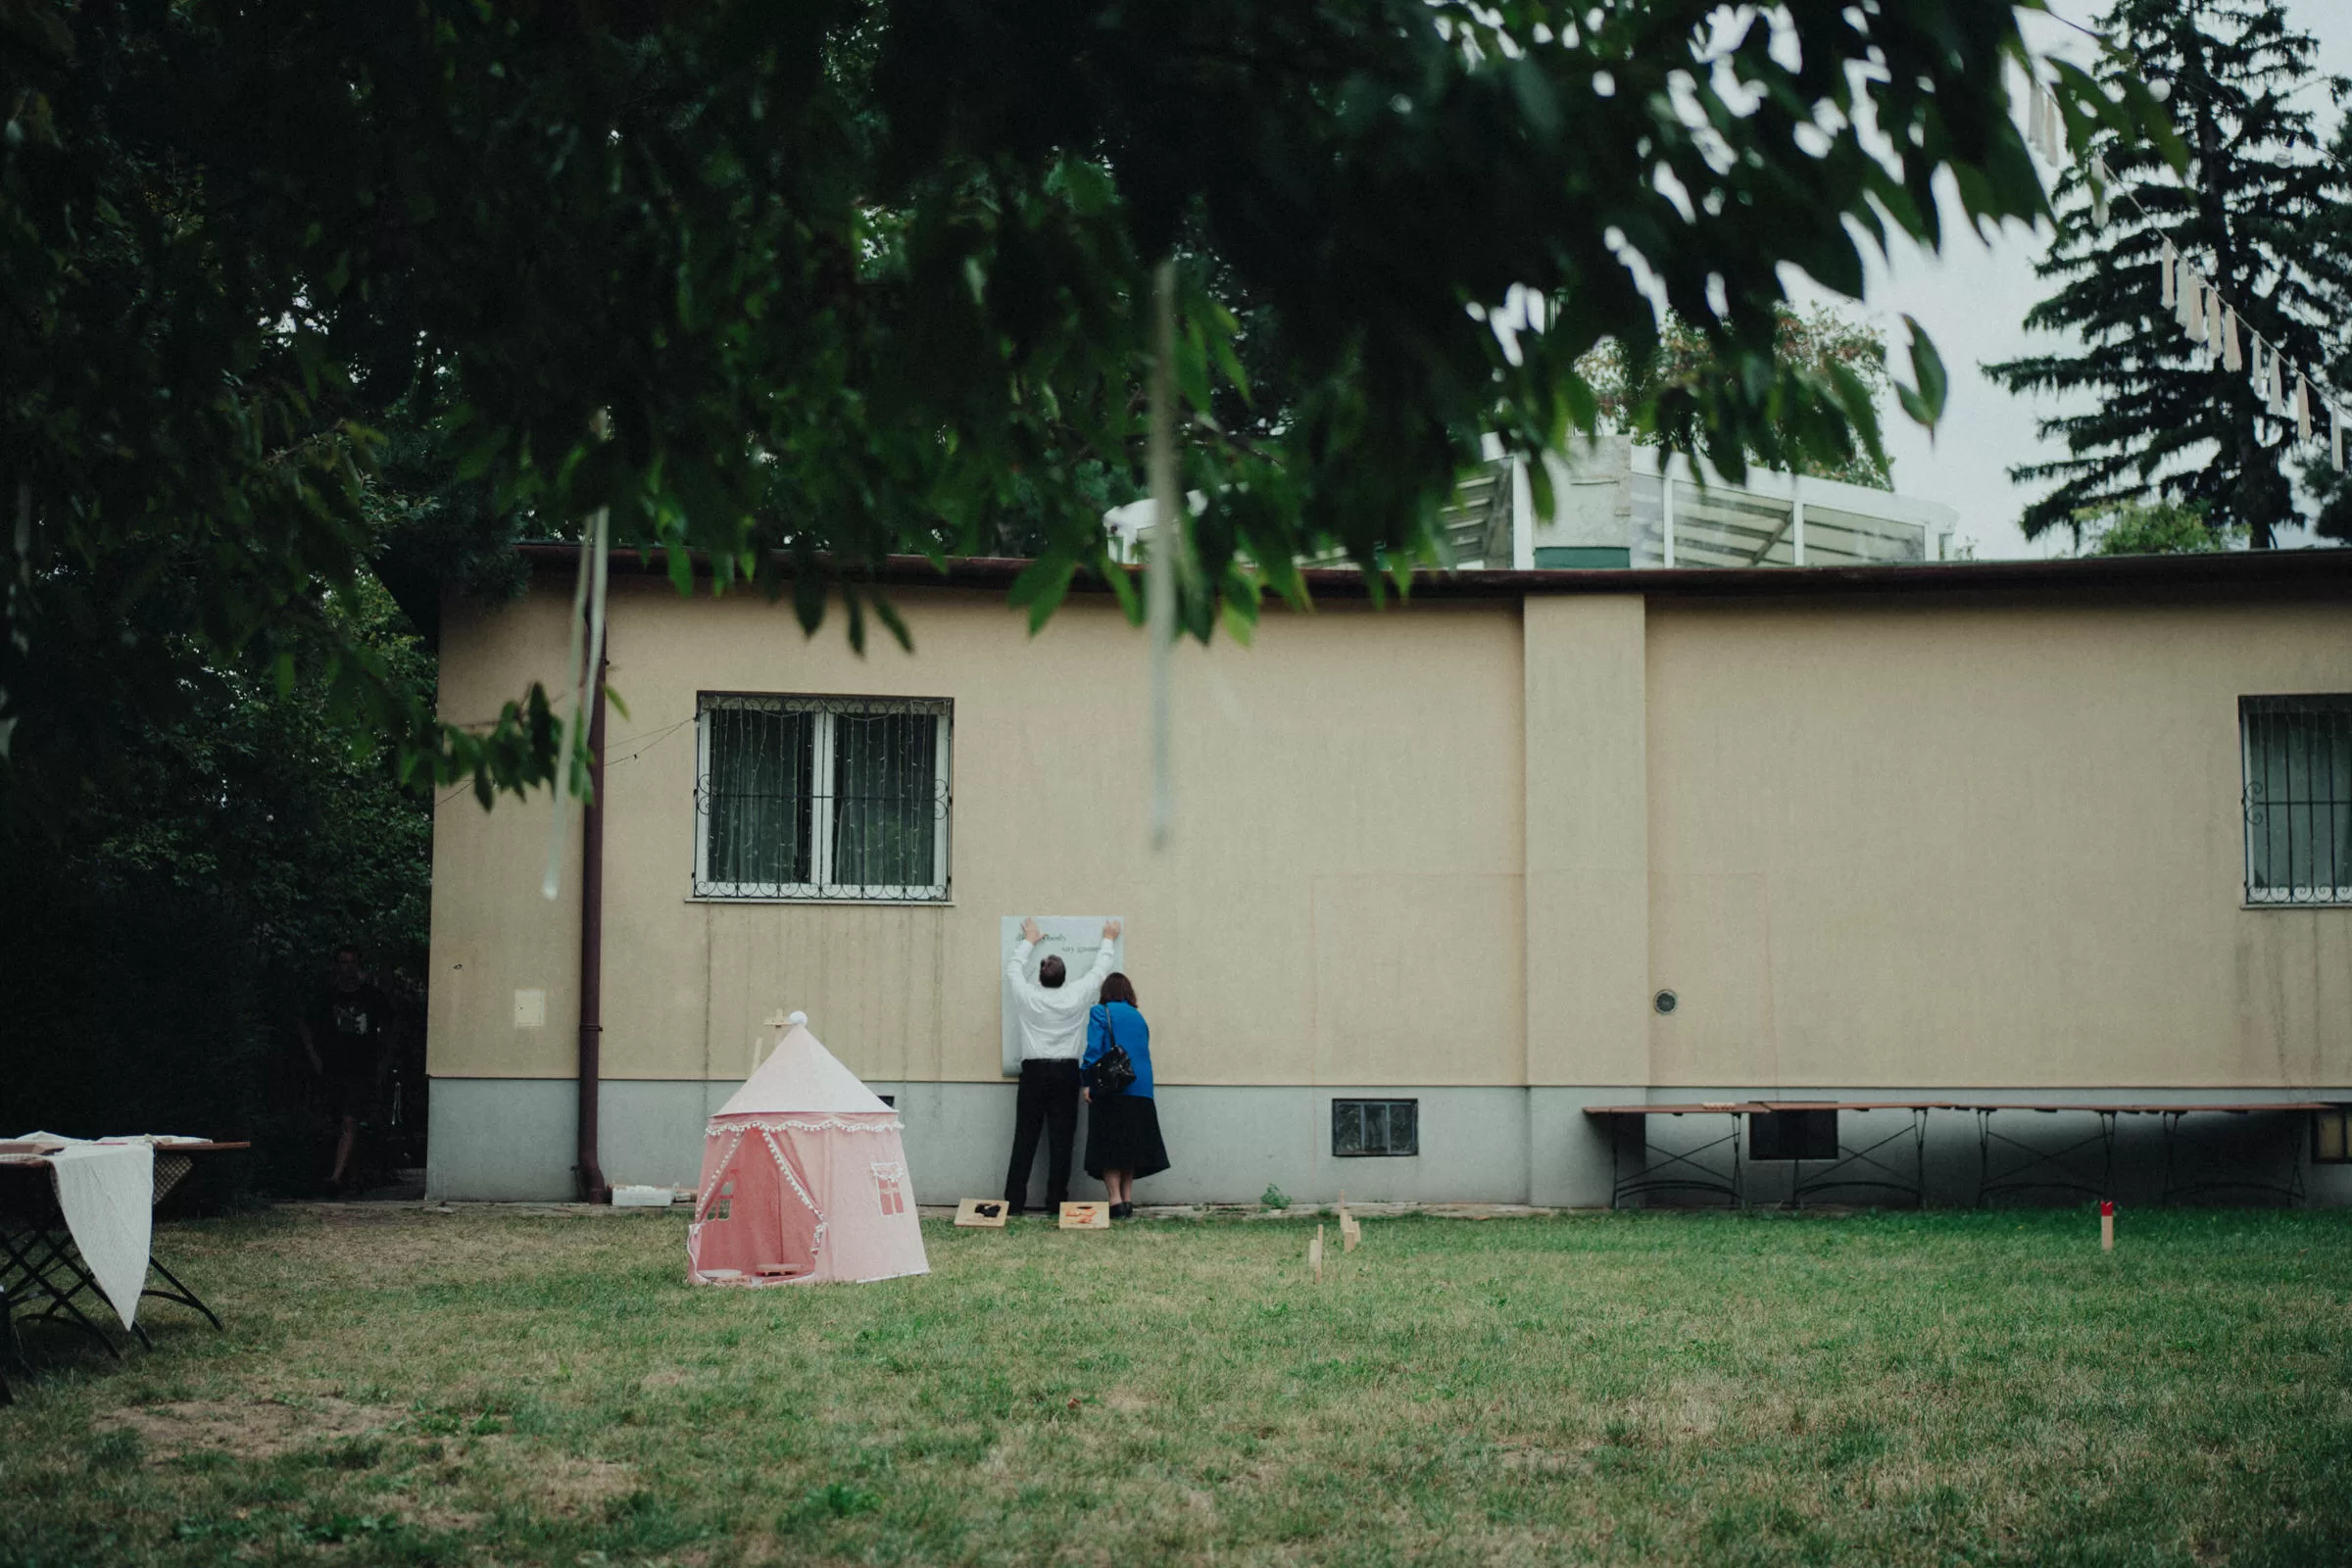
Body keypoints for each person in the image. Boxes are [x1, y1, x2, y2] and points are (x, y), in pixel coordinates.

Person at [1003, 917, 1119, 1213]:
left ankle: (1014, 1202)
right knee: (1062, 1140)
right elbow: (1099, 971)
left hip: (1034, 1072)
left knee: (1024, 1138)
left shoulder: (1028, 996)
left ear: (1040, 979)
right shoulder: (1076, 994)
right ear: (1065, 977)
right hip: (1067, 1072)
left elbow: (1013, 969)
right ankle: (1056, 1202)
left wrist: (1029, 939)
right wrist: (1108, 937)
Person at [298, 944, 392, 1197]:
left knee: (350, 1121)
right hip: (332, 1067)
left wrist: (383, 1065)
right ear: (336, 966)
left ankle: (335, 1179)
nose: (347, 967)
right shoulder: (327, 997)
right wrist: (314, 1055)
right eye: (343, 962)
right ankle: (355, 1177)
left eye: (352, 962)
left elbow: (390, 1030)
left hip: (362, 1068)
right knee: (339, 1125)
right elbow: (304, 1023)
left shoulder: (371, 997)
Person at [1081, 973, 1168, 1219]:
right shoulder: (1138, 1017)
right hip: (1141, 1089)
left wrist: (1088, 1082)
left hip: (1113, 1087)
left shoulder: (1100, 1012)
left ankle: (1115, 1202)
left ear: (1106, 991)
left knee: (1109, 1146)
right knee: (1131, 1146)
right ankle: (1128, 1201)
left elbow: (1094, 1050)